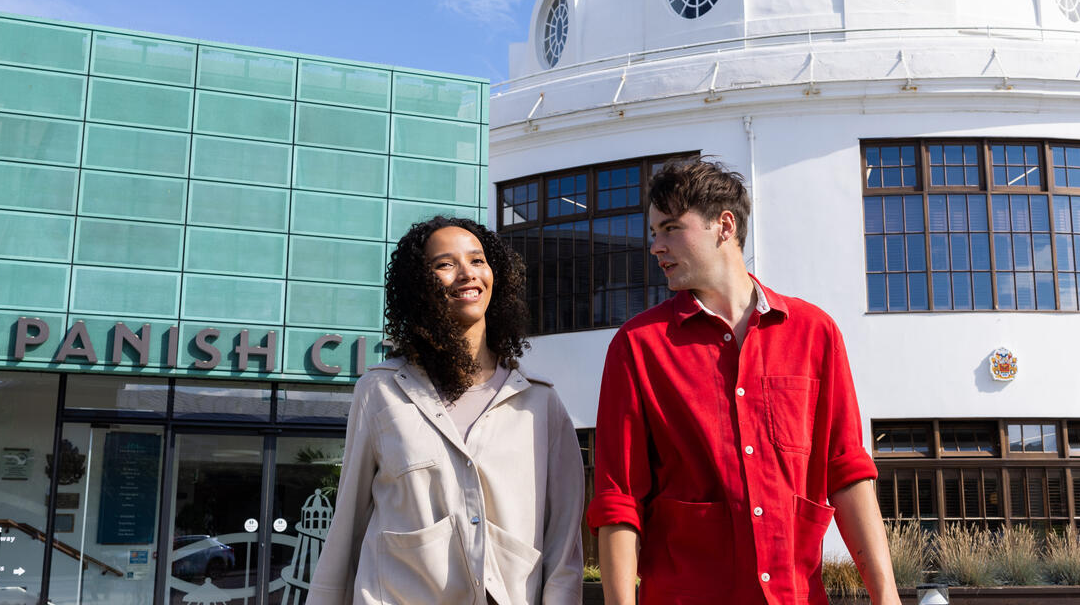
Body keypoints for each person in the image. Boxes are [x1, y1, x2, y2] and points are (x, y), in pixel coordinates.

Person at [589, 160, 900, 605]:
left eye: (671, 229)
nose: (656, 247)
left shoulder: (815, 333)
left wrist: (886, 597)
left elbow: (846, 470)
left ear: (724, 226)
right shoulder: (637, 347)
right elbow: (619, 499)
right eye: (654, 233)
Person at [308, 216, 584, 605]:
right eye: (445, 264)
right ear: (419, 286)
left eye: (477, 260)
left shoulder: (541, 403)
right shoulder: (380, 391)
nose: (467, 274)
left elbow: (564, 542)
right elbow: (347, 526)